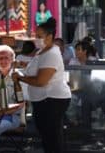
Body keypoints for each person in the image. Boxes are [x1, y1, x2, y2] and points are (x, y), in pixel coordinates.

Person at [12, 18, 71, 153]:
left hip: (51, 100)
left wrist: (21, 78)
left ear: (50, 37)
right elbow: (37, 66)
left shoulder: (52, 54)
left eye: (39, 36)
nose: (36, 39)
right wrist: (22, 65)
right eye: (35, 36)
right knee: (47, 136)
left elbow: (41, 81)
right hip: (43, 100)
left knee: (52, 138)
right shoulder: (42, 51)